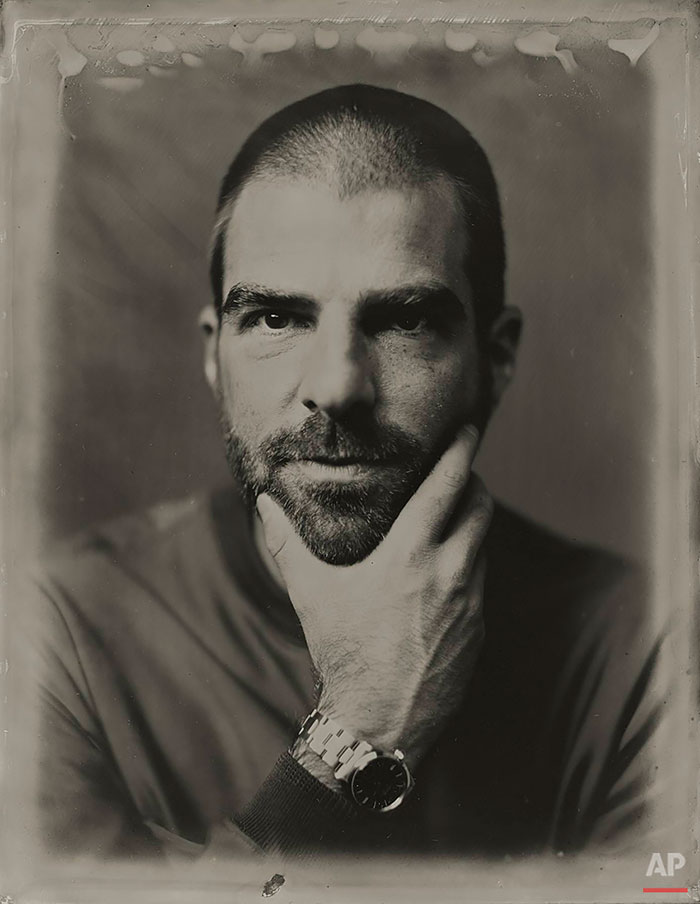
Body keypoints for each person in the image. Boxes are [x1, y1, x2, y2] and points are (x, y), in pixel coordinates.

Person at [32, 84, 664, 862]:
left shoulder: (650, 655)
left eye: (405, 320)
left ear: (495, 359)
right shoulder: (48, 642)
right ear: (214, 355)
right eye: (275, 318)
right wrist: (362, 727)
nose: (337, 386)